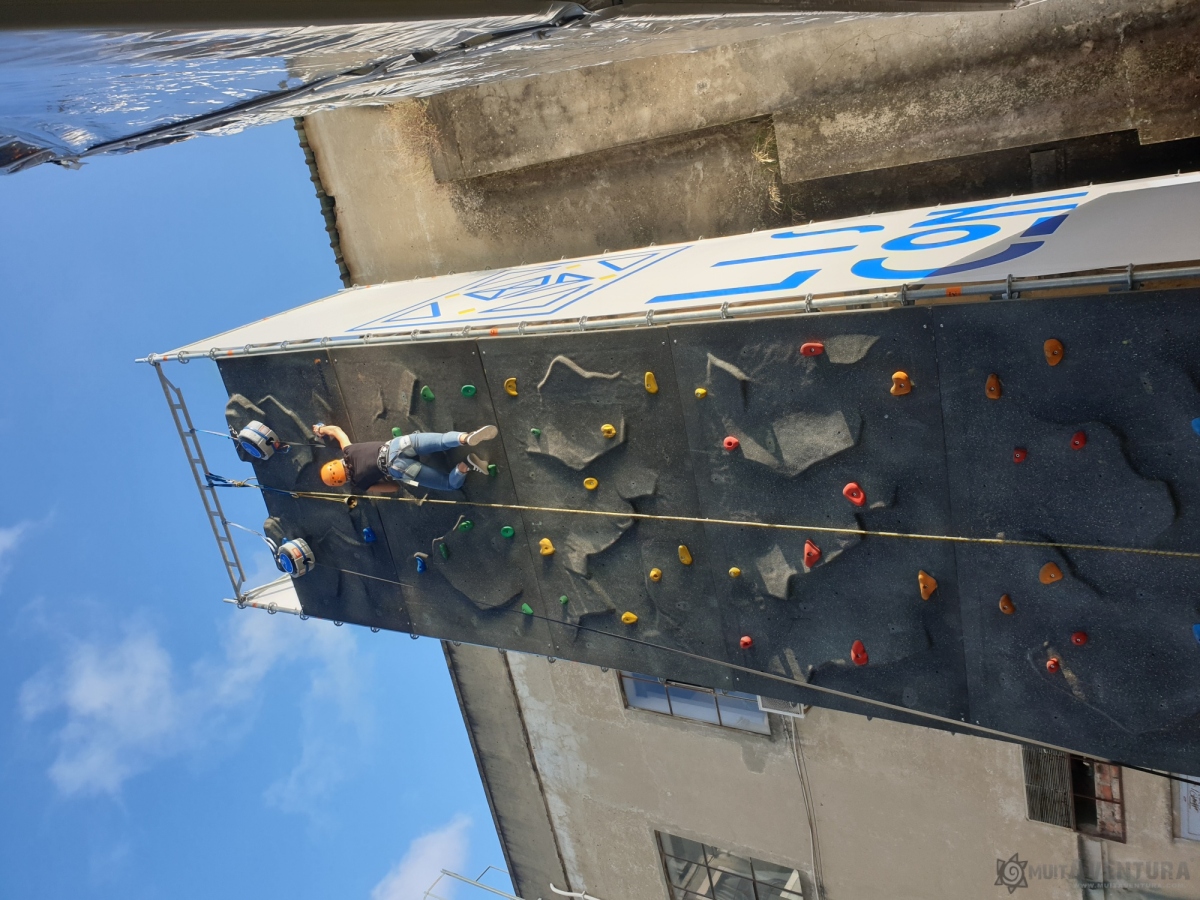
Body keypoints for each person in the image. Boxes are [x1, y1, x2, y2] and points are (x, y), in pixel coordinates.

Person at [313, 423, 497, 493]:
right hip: (397, 445)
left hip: (398, 468)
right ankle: (466, 438)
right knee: (442, 440)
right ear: (336, 462)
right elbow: (336, 430)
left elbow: (393, 488)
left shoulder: (360, 483)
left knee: (448, 484)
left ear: (342, 481)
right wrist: (321, 429)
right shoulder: (348, 451)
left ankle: (465, 465)